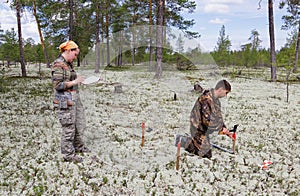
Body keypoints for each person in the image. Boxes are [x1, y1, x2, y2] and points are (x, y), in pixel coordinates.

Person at [51, 40, 90, 163]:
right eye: (75, 54)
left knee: (77, 125)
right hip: (65, 101)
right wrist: (74, 82)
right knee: (68, 127)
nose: (75, 57)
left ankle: (78, 146)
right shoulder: (59, 65)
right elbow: (57, 85)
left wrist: (80, 81)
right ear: (68, 51)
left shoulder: (68, 64)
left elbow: (71, 79)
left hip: (73, 99)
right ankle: (68, 155)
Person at [175, 79, 234, 158]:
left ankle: (198, 141)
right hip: (198, 128)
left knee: (206, 149)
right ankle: (183, 140)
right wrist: (220, 129)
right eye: (226, 92)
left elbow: (219, 117)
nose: (226, 95)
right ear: (221, 89)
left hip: (206, 129)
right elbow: (206, 121)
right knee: (205, 153)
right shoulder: (205, 99)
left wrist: (225, 129)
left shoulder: (216, 101)